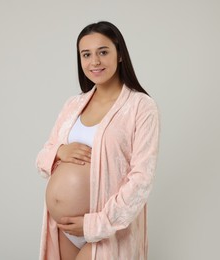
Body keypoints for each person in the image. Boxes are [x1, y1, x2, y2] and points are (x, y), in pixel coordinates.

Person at [36, 21, 160, 260]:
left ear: (120, 54)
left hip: (107, 230)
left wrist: (94, 225)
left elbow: (142, 179)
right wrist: (60, 151)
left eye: (103, 52)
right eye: (86, 54)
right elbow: (43, 157)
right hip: (63, 228)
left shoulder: (141, 107)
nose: (95, 61)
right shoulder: (73, 105)